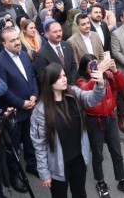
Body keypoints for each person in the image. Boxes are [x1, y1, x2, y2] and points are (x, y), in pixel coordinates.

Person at [30, 63, 108, 198]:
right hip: (58, 165)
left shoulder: (73, 93)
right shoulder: (40, 110)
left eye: (64, 75)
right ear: (50, 81)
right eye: (59, 77)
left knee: (80, 193)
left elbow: (92, 99)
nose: (64, 79)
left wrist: (100, 84)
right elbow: (39, 144)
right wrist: (44, 172)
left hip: (78, 159)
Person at [75, 54, 124, 198]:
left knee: (117, 152)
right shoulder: (81, 80)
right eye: (92, 67)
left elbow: (122, 86)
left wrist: (115, 71)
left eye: (97, 64)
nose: (96, 68)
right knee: (98, 155)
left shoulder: (107, 75)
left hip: (110, 117)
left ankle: (122, 181)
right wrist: (97, 76)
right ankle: (101, 183)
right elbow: (84, 91)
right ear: (85, 70)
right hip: (94, 121)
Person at [0, 28, 39, 193]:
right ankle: (14, 175)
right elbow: (4, 90)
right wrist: (21, 103)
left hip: (30, 106)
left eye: (17, 39)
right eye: (12, 41)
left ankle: (32, 165)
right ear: (4, 43)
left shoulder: (24, 55)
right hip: (15, 112)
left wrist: (34, 95)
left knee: (30, 139)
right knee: (14, 145)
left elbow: (31, 77)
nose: (17, 42)